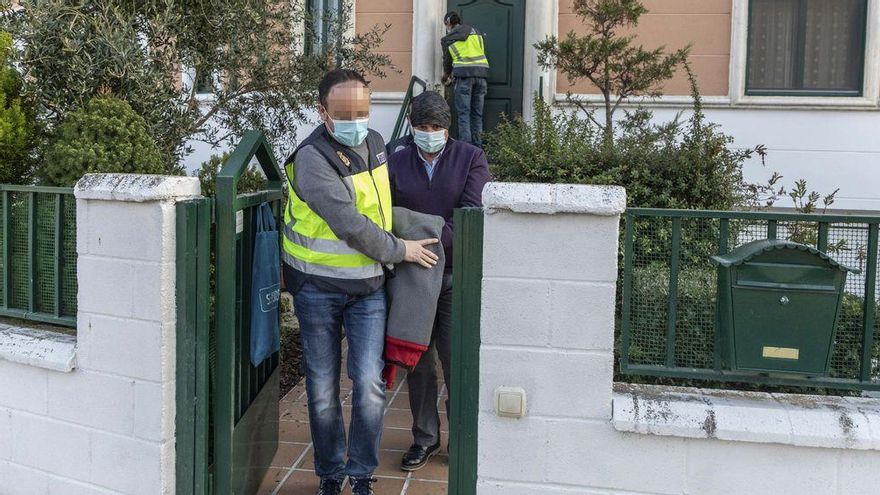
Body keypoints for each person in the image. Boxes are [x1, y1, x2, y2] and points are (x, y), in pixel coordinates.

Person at [282, 69, 440, 495]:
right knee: (321, 388)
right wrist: (400, 250)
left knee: (370, 384)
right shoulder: (311, 159)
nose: (357, 120)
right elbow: (350, 223)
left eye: (363, 111)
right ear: (322, 112)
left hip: (368, 287)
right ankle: (331, 476)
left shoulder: (374, 143)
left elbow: (383, 203)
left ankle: (361, 474)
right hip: (318, 289)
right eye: (345, 112)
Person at [388, 91, 490, 472]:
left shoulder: (471, 157)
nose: (430, 133)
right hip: (412, 276)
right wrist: (406, 244)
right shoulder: (396, 158)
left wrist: (424, 240)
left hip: (452, 276)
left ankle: (463, 439)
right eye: (422, 126)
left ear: (448, 128)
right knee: (419, 362)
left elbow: (470, 212)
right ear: (412, 126)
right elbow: (388, 213)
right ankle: (424, 439)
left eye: (437, 127)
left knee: (456, 359)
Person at [441, 11, 490, 148]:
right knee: (477, 115)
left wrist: (446, 76)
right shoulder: (476, 32)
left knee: (464, 115)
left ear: (448, 23)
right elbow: (481, 50)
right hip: (481, 76)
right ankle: (478, 150)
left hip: (463, 78)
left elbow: (447, 62)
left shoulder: (448, 39)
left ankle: (466, 151)